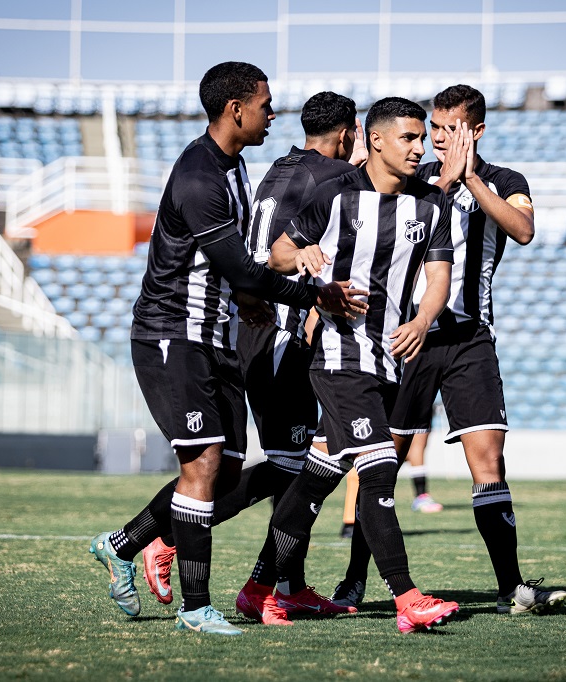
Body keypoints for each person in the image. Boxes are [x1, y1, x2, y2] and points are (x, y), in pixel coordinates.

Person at [88, 63, 366, 637]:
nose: (273, 113)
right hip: (173, 334)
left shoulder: (238, 167)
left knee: (226, 469)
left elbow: (235, 268)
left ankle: (124, 544)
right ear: (236, 109)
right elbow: (242, 265)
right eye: (266, 103)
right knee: (205, 464)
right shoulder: (199, 177)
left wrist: (248, 296)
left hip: (220, 334)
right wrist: (316, 294)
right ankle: (196, 608)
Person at [330, 85, 566, 617]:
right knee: (379, 466)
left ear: (475, 131)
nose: (436, 139)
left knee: (488, 461)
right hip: (407, 338)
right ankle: (353, 581)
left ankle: (512, 588)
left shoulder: (506, 182)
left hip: (469, 340)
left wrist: (469, 181)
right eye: (432, 129)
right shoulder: (413, 181)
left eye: (448, 129)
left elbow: (523, 230)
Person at [236, 97, 461, 634]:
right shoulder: (333, 196)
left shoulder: (430, 205)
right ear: (375, 140)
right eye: (408, 137)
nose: (418, 147)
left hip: (388, 357)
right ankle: (408, 599)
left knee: (316, 479)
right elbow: (279, 255)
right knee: (380, 467)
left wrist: (423, 320)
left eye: (420, 138)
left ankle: (258, 589)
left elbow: (439, 277)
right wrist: (307, 261)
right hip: (338, 357)